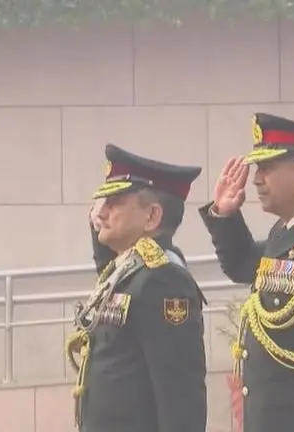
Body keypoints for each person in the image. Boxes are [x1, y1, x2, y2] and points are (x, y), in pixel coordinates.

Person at [198, 113, 294, 432]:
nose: (257, 179)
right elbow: (245, 265)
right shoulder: (284, 232)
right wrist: (225, 215)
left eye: (268, 168)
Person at [65, 143, 208, 432]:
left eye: (114, 202)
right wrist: (97, 224)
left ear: (152, 217)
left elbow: (180, 398)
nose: (100, 212)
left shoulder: (163, 280)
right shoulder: (128, 271)